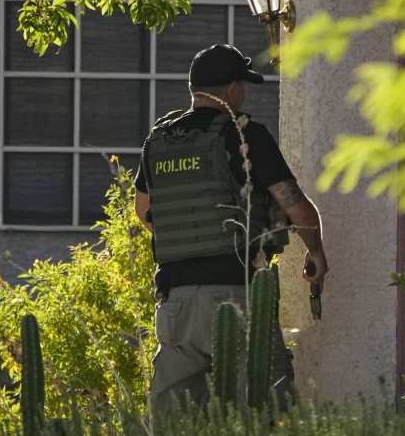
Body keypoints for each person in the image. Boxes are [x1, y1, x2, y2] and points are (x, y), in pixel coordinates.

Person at [134, 43, 329, 414]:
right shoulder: (244, 136)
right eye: (243, 85)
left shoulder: (158, 141)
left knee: (176, 419)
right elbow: (295, 206)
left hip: (175, 302)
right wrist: (315, 251)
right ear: (231, 89)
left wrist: (191, 240)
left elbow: (144, 213)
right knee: (262, 408)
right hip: (235, 295)